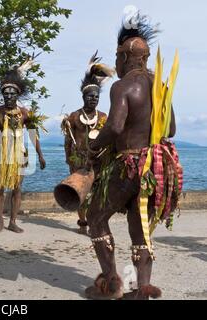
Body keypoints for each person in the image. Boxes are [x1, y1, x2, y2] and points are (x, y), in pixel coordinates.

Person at [83, 8, 183, 300]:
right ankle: (142, 287)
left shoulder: (123, 86)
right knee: (140, 227)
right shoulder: (159, 86)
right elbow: (172, 128)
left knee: (96, 217)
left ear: (125, 57)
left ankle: (112, 283)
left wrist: (94, 145)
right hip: (153, 169)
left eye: (117, 59)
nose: (116, 64)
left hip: (127, 164)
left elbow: (114, 126)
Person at [0, 59, 47, 233]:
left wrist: (40, 155)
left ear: (17, 95)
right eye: (6, 94)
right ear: (3, 95)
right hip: (0, 155)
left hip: (19, 155)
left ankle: (13, 221)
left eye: (12, 94)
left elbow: (33, 135)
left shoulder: (25, 113)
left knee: (17, 188)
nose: (9, 97)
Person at [61, 52, 113, 235]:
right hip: (78, 161)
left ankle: (94, 222)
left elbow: (108, 140)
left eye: (96, 96)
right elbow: (68, 141)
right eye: (90, 96)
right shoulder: (74, 117)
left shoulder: (104, 118)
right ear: (84, 97)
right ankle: (83, 223)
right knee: (79, 192)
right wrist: (69, 159)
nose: (94, 99)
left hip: (97, 162)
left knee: (97, 193)